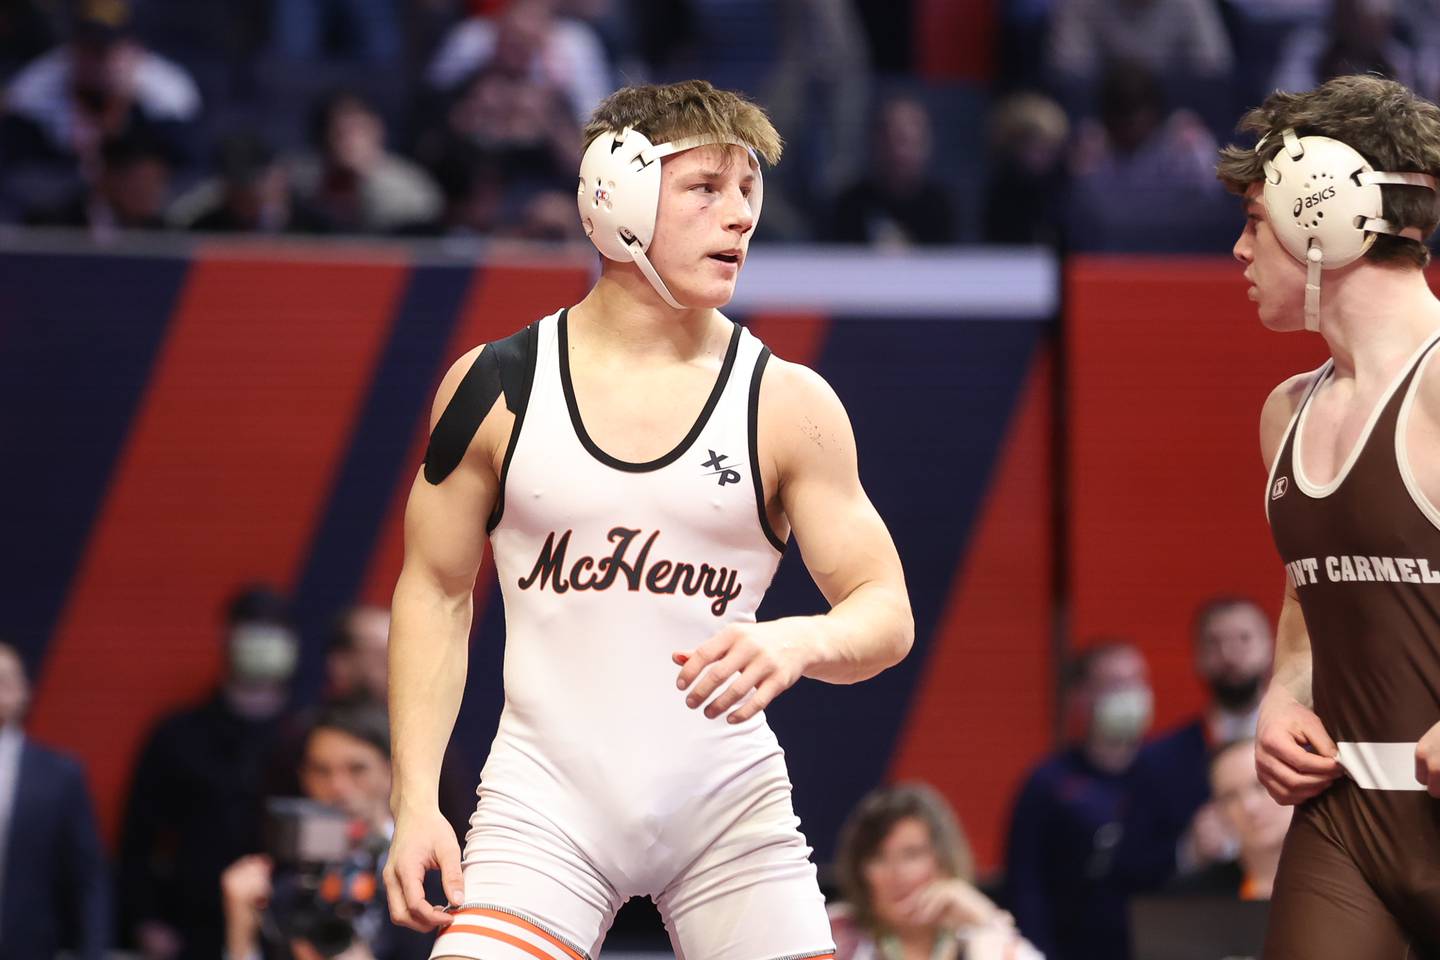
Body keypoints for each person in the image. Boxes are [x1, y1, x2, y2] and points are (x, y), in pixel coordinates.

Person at [382, 78, 914, 960]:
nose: (740, 216)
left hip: (727, 808)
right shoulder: (495, 387)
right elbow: (435, 595)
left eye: (749, 189)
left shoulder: (787, 402)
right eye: (706, 188)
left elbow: (885, 611)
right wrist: (414, 801)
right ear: (612, 196)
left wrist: (797, 642)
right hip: (543, 803)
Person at [1223, 73, 1440, 955]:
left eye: (1251, 221)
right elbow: (1308, 609)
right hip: (1347, 823)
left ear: (1322, 215)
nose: (1238, 253)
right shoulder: (1287, 412)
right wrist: (1279, 700)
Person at [118, 584, 301, 960]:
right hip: (189, 928)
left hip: (290, 926)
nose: (262, 643)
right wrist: (145, 919)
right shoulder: (177, 734)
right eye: (252, 630)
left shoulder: (307, 738)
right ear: (227, 637)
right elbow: (137, 836)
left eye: (273, 631)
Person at [223, 702, 435, 960]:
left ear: (392, 771)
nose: (338, 787)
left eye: (357, 769)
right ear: (304, 777)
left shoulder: (428, 867)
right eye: (321, 771)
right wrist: (240, 937)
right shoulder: (280, 874)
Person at [1004, 641, 1152, 960]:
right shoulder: (1047, 783)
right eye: (1115, 684)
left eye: (1136, 681)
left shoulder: (1164, 773)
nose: (1130, 694)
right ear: (1081, 696)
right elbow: (1025, 885)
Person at [1121, 597, 1273, 888]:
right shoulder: (1158, 761)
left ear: (1271, 647)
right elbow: (1130, 864)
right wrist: (1189, 852)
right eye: (1214, 643)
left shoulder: (1311, 743)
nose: (1229, 654)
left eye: (1244, 638)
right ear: (1197, 657)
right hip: (1201, 918)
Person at [830, 783, 1040, 960]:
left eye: (912, 854)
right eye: (878, 857)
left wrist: (985, 921)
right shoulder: (832, 935)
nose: (897, 873)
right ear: (860, 870)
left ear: (943, 859)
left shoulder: (976, 934)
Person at [0, 641, 111, 959]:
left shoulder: (58, 774)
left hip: (26, 947)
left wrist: (92, 951)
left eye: (5, 680)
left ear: (24, 691)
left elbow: (87, 876)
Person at [1165, 739, 1292, 900]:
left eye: (1261, 786)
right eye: (1230, 797)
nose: (1249, 806)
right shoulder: (1195, 900)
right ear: (1219, 812)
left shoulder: (1332, 877)